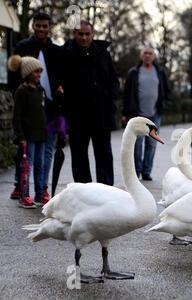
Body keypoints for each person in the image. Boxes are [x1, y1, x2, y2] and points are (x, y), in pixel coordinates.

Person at [9, 12, 64, 201]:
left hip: (50, 108)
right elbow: (14, 75)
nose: (41, 29)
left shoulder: (56, 51)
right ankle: (19, 185)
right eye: (38, 25)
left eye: (44, 26)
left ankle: (42, 187)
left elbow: (61, 76)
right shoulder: (23, 47)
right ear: (33, 26)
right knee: (24, 150)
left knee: (46, 150)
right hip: (29, 107)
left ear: (49, 28)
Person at [62, 20, 119, 186]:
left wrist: (110, 94)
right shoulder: (66, 53)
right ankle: (84, 191)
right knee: (79, 156)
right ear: (74, 34)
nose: (84, 37)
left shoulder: (102, 53)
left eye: (87, 34)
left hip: (101, 114)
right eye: (81, 34)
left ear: (92, 34)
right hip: (77, 115)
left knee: (104, 155)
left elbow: (113, 78)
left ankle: (106, 190)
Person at [8, 56, 61, 207]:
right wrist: (20, 136)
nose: (39, 75)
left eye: (40, 72)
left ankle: (39, 193)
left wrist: (58, 96)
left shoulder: (40, 90)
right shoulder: (22, 91)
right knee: (26, 165)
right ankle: (24, 195)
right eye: (36, 72)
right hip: (27, 137)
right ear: (27, 73)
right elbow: (17, 116)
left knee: (40, 164)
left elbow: (47, 108)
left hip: (41, 135)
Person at [122, 45, 171, 180]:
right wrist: (125, 113)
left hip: (155, 113)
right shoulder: (134, 72)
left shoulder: (160, 72)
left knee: (152, 143)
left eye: (150, 53)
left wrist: (164, 104)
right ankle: (137, 171)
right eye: (145, 53)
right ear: (141, 55)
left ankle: (146, 171)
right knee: (137, 142)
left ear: (154, 56)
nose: (147, 56)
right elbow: (127, 94)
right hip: (137, 113)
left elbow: (167, 90)